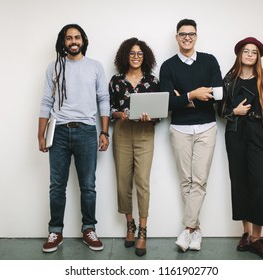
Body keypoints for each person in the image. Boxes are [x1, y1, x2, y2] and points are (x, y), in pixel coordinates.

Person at [38, 23, 110, 253]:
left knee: (88, 185)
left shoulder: (95, 67)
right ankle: (55, 231)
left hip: (87, 131)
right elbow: (46, 102)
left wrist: (104, 131)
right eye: (69, 38)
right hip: (58, 131)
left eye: (77, 37)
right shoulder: (54, 68)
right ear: (63, 42)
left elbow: (103, 100)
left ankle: (89, 229)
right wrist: (40, 134)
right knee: (57, 185)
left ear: (83, 40)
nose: (73, 41)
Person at [159, 19, 223, 252]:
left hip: (206, 127)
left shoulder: (209, 60)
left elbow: (217, 95)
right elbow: (167, 102)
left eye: (191, 34)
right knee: (186, 181)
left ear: (196, 36)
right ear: (177, 37)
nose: (187, 37)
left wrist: (183, 97)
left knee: (200, 180)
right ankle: (196, 231)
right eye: (183, 34)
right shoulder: (167, 66)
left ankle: (187, 230)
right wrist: (195, 94)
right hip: (179, 130)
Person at [219, 37, 263, 260]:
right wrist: (233, 112)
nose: (249, 55)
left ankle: (257, 238)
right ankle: (245, 234)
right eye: (245, 51)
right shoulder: (229, 79)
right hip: (235, 134)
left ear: (258, 57)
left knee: (259, 185)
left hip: (260, 134)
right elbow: (220, 109)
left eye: (253, 52)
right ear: (239, 54)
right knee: (240, 183)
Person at [109, 37, 160, 256]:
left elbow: (161, 110)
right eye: (132, 53)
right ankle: (129, 224)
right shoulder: (116, 80)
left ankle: (143, 230)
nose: (136, 57)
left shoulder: (152, 81)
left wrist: (151, 117)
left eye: (140, 54)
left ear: (145, 56)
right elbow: (109, 107)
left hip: (144, 133)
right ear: (125, 56)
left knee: (142, 183)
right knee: (123, 183)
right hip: (122, 132)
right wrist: (117, 113)